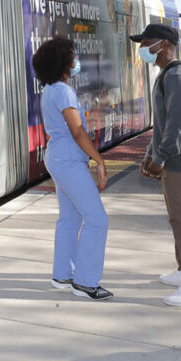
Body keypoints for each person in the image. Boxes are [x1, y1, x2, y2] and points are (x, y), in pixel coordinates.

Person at [132, 23, 181, 307]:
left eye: (146, 43)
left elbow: (178, 124)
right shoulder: (168, 74)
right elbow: (163, 124)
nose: (142, 48)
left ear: (163, 45)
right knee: (177, 217)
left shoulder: (177, 75)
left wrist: (162, 157)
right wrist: (151, 154)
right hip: (175, 159)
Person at [31, 36, 112, 301]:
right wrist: (99, 160)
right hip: (68, 159)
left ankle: (63, 274)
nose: (76, 60)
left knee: (71, 218)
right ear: (62, 62)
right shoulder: (64, 91)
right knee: (97, 219)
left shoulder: (50, 90)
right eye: (73, 56)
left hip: (57, 157)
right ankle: (86, 282)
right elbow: (77, 131)